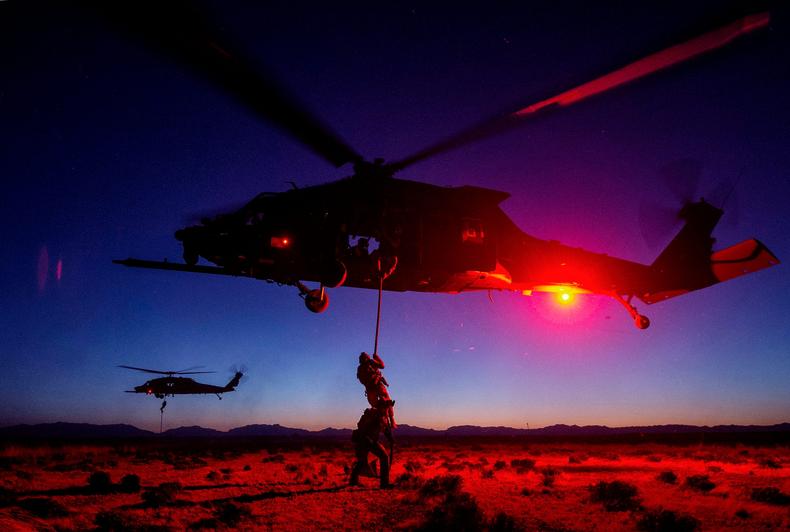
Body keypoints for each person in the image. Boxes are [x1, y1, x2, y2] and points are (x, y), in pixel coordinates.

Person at [349, 405, 393, 488]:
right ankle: (384, 483)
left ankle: (353, 481)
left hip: (370, 440)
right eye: (386, 407)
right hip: (364, 440)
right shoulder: (374, 415)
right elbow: (361, 426)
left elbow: (385, 429)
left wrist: (390, 438)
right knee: (382, 457)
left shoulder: (383, 417)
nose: (388, 409)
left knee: (363, 461)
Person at [357, 352, 396, 428]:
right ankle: (382, 420)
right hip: (370, 389)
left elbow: (382, 366)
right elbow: (362, 380)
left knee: (387, 401)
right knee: (376, 406)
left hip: (378, 385)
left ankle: (391, 419)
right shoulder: (361, 369)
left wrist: (377, 358)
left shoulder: (371, 363)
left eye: (365, 358)